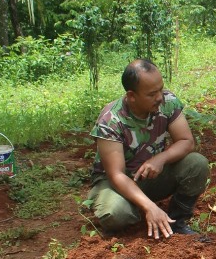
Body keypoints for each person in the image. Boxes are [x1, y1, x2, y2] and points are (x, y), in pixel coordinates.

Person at [88, 59, 208, 238]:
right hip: (115, 183)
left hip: (149, 176)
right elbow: (116, 175)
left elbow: (186, 141)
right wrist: (150, 206)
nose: (159, 97)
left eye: (160, 89)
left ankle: (176, 221)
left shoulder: (167, 102)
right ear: (131, 96)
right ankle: (132, 210)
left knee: (197, 164)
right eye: (152, 94)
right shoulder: (110, 120)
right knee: (116, 213)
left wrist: (160, 158)